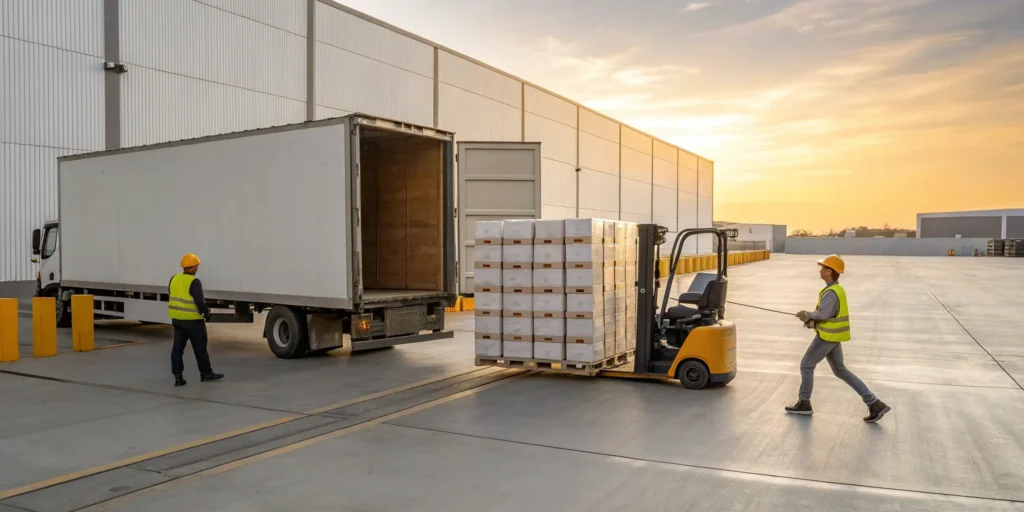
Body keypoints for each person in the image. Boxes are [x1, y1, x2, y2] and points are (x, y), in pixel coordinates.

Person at [785, 255, 890, 422]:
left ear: (829, 271)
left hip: (827, 337)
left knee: (806, 365)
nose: (820, 270)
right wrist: (811, 319)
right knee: (841, 370)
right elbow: (829, 315)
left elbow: (824, 314)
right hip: (833, 337)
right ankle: (874, 403)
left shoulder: (831, 292)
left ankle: (804, 403)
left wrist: (807, 315)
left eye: (823, 267)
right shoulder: (836, 290)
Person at [168, 253, 224, 386]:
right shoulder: (194, 282)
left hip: (177, 320)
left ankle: (178, 378)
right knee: (200, 348)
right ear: (192, 268)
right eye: (196, 266)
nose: (197, 268)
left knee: (177, 349)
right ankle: (206, 374)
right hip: (193, 321)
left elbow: (172, 295)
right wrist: (206, 312)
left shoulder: (173, 279)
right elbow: (200, 302)